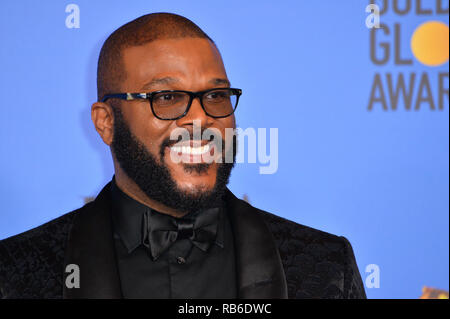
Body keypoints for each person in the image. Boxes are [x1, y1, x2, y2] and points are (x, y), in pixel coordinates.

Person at [0, 12, 366, 299]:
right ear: (105, 122)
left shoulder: (326, 264)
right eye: (167, 98)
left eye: (216, 96)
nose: (201, 117)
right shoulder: (15, 273)